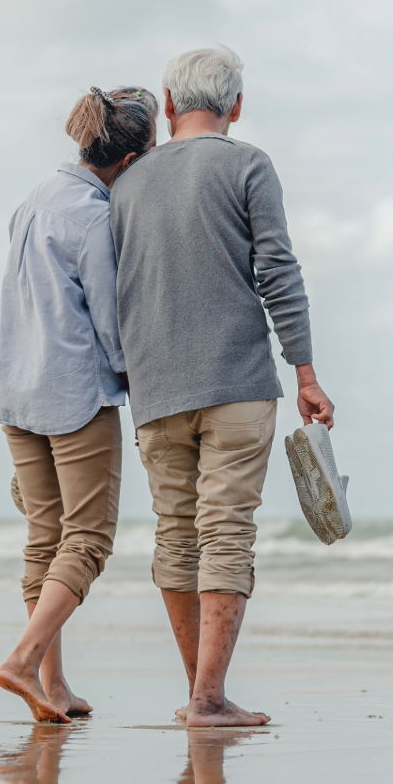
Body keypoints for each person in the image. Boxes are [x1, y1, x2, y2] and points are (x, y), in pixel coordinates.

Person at [111, 45, 334, 728]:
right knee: (226, 533)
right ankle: (208, 697)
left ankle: (199, 692)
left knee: (176, 535)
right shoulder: (247, 165)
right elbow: (278, 271)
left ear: (168, 103)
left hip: (154, 389)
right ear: (236, 106)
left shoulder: (125, 183)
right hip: (236, 380)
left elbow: (110, 287)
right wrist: (305, 371)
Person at [0, 86, 158, 723]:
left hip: (16, 391)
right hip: (73, 395)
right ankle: (24, 661)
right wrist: (143, 383)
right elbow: (112, 325)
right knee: (87, 541)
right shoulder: (93, 216)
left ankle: (51, 687)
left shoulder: (34, 198)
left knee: (45, 541)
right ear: (133, 159)